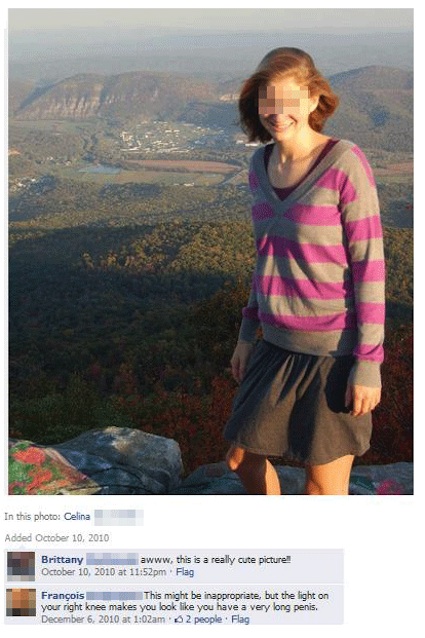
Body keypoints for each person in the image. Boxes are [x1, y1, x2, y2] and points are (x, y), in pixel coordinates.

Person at [223, 47, 385, 495]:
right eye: (267, 100)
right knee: (240, 459)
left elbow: (370, 267)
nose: (277, 112)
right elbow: (266, 258)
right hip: (274, 345)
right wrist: (246, 333)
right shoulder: (259, 166)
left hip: (333, 351)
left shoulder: (344, 163)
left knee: (322, 489)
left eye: (289, 100)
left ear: (314, 99)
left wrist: (368, 362)